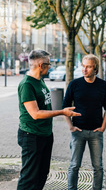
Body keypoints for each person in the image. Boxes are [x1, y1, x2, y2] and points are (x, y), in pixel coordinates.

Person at [17, 50, 81, 190]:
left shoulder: (40, 80)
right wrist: (61, 112)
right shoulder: (27, 85)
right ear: (41, 65)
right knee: (29, 177)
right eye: (48, 64)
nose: (50, 67)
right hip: (31, 136)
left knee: (42, 174)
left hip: (45, 134)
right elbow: (35, 114)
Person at [62, 54, 106, 190]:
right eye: (83, 66)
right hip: (78, 131)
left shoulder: (103, 85)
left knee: (98, 167)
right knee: (74, 165)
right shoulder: (74, 84)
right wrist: (71, 127)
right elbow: (64, 107)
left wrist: (103, 127)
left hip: (96, 132)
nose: (85, 69)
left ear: (95, 69)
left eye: (89, 67)